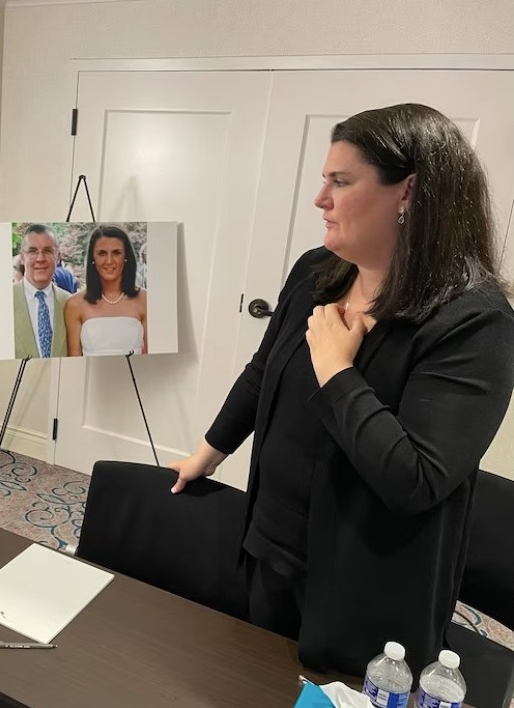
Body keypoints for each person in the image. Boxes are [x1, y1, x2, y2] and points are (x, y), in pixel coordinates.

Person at [168, 103, 514, 678]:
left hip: (370, 584)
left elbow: (417, 479)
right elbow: (263, 371)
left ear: (409, 192)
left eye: (341, 181)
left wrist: (336, 369)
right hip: (271, 543)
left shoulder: (474, 323)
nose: (320, 199)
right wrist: (209, 451)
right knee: (257, 681)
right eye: (324, 179)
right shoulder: (316, 271)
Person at [64, 224, 147, 356]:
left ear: (126, 257)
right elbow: (74, 362)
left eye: (116, 253)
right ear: (93, 258)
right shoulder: (75, 305)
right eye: (102, 253)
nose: (109, 261)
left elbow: (152, 358)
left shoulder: (145, 300)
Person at [13, 224, 70, 358]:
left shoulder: (70, 304)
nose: (40, 258)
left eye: (48, 251)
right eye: (32, 251)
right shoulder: (3, 302)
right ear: (22, 257)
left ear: (58, 257)